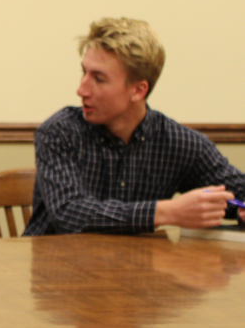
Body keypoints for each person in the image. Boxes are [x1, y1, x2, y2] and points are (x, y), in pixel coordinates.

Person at [23, 17, 245, 236]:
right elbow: (69, 214)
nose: (81, 90)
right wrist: (166, 212)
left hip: (136, 269)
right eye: (84, 72)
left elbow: (238, 193)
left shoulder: (180, 143)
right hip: (56, 267)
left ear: (138, 90)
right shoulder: (59, 132)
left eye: (98, 79)